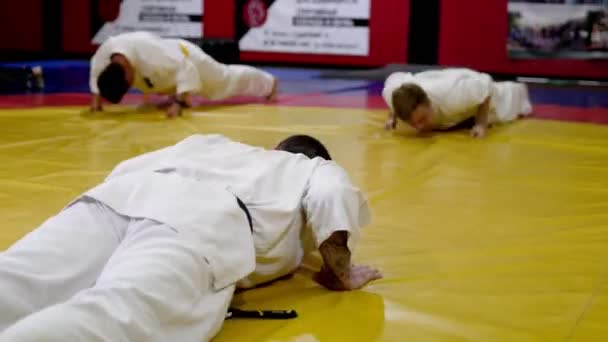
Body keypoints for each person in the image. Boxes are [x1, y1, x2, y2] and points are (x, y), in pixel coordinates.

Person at [0, 134, 380, 342]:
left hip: (117, 196)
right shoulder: (310, 168)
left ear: (276, 147)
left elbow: (126, 168)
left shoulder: (210, 143)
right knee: (119, 312)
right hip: (201, 219)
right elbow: (333, 196)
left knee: (18, 277)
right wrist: (341, 274)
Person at [89, 31, 278, 118]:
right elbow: (96, 74)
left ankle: (268, 83)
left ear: (128, 76)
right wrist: (96, 100)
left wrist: (178, 103)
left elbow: (185, 67)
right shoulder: (104, 55)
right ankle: (181, 95)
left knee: (223, 81)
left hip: (187, 58)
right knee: (163, 88)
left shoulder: (153, 54)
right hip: (160, 76)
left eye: (129, 86)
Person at [382, 68, 532, 138]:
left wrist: (480, 124)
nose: (419, 128)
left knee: (505, 106)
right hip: (434, 78)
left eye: (422, 119)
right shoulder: (393, 94)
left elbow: (486, 87)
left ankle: (516, 89)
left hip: (466, 80)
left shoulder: (454, 95)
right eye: (412, 123)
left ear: (427, 102)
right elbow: (395, 86)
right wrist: (391, 118)